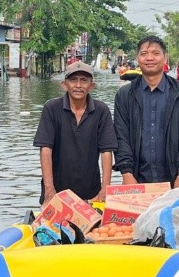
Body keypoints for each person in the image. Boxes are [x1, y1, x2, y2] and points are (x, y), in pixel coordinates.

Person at [113, 35, 179, 186]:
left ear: (165, 58)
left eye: (155, 53)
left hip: (176, 178)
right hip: (136, 179)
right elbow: (121, 136)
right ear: (138, 58)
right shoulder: (125, 95)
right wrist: (126, 173)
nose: (149, 58)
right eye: (144, 54)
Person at [33, 61, 117, 204]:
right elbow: (45, 148)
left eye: (84, 80)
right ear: (64, 84)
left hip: (91, 192)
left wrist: (105, 189)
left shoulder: (101, 110)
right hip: (57, 191)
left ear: (92, 86)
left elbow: (106, 151)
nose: (78, 85)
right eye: (73, 80)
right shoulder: (51, 108)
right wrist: (49, 189)